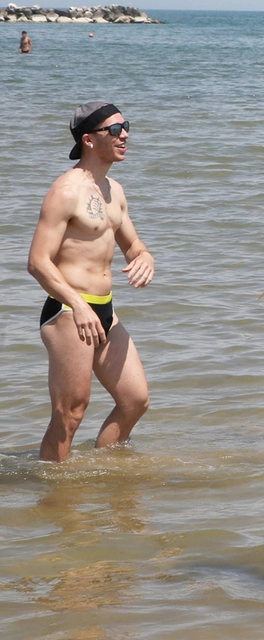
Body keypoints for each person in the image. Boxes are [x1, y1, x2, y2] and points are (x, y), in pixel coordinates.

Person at [27, 102, 154, 462]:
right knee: (70, 414)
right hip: (69, 310)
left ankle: (106, 473)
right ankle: (57, 494)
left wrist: (144, 257)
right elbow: (37, 262)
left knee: (135, 400)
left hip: (104, 311)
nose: (125, 134)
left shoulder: (114, 190)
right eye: (114, 130)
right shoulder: (66, 191)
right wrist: (78, 304)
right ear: (88, 139)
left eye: (125, 126)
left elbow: (133, 245)